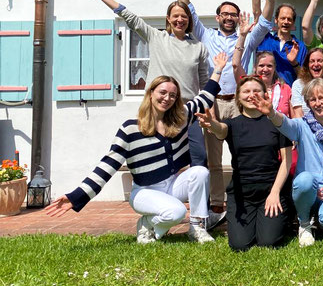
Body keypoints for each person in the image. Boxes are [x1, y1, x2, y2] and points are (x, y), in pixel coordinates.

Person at [45, 54, 228, 244]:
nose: (167, 98)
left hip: (172, 185)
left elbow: (204, 99)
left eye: (173, 95)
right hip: (145, 192)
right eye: (162, 92)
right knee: (177, 212)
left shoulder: (180, 119)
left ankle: (197, 228)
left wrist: (218, 70)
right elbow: (107, 166)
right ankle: (146, 224)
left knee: (199, 172)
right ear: (151, 93)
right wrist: (76, 197)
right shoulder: (131, 128)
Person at [167, 0, 279, 225]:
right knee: (214, 159)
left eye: (233, 14)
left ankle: (247, 199)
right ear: (217, 17)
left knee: (247, 153)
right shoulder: (205, 36)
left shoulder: (247, 38)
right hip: (213, 103)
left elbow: (265, 19)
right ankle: (217, 207)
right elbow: (186, 6)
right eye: (225, 14)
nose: (229, 18)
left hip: (242, 103)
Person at [79, 0, 210, 175]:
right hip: (159, 110)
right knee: (156, 158)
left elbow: (205, 84)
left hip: (187, 112)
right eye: (175, 16)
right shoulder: (156, 37)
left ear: (189, 19)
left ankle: (202, 206)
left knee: (199, 158)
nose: (180, 19)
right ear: (168, 19)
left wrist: (209, 112)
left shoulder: (199, 47)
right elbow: (128, 16)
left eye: (184, 16)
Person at [196, 75, 292, 251]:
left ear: (265, 94)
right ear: (238, 97)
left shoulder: (277, 122)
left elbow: (287, 160)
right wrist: (211, 124)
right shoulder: (232, 124)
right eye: (246, 91)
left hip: (271, 191)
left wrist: (275, 192)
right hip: (242, 194)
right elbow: (221, 130)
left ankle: (280, 218)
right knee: (240, 244)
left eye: (256, 91)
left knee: (268, 242)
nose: (251, 95)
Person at [256, 78, 323, 247]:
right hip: (310, 189)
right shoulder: (302, 125)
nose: (318, 103)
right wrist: (271, 113)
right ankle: (304, 224)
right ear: (308, 104)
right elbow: (284, 123)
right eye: (312, 100)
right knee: (304, 180)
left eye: (321, 98)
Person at [247, 0, 308, 85]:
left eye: (289, 19)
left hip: (288, 97)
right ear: (276, 20)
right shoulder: (265, 38)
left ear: (293, 23)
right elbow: (257, 12)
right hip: (263, 93)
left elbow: (304, 77)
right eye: (282, 18)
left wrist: (294, 63)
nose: (286, 21)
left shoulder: (299, 46)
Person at [290, 45, 323, 118]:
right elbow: (298, 114)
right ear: (307, 65)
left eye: (320, 61)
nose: (316, 64)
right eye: (312, 61)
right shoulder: (298, 84)